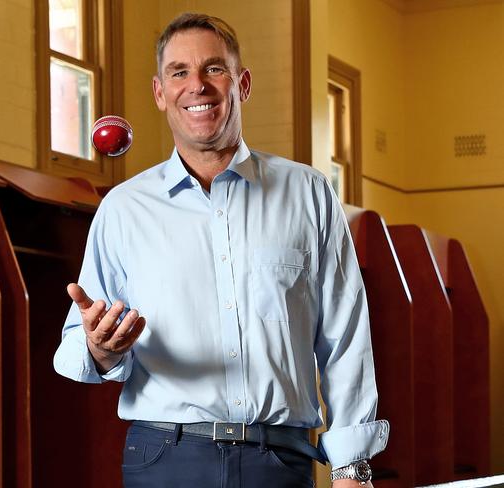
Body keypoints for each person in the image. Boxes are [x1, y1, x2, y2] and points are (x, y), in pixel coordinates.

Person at [54, 12, 389, 488]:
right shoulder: (123, 209)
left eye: (214, 69)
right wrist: (100, 348)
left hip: (280, 459)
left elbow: (345, 333)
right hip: (165, 459)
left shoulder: (308, 193)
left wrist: (352, 466)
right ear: (159, 92)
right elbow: (77, 350)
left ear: (242, 83)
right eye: (179, 72)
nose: (197, 86)